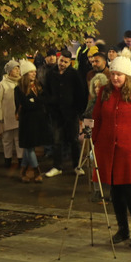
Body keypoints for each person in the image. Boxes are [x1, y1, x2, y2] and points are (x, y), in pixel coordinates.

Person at [92, 56, 131, 248]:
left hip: (130, 150)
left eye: (119, 74)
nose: (115, 78)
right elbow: (97, 118)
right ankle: (123, 229)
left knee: (130, 190)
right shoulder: (104, 92)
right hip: (108, 150)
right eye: (113, 74)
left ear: (127, 74)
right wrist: (95, 140)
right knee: (115, 191)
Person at [43, 50, 87, 178]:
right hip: (56, 113)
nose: (62, 64)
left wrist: (78, 111)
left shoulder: (74, 74)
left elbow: (81, 93)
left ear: (70, 63)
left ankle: (76, 166)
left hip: (71, 113)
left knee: (74, 140)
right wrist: (50, 105)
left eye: (65, 62)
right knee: (57, 141)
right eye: (61, 60)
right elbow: (47, 91)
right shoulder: (51, 74)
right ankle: (57, 166)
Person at [15, 60, 52, 183]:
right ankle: (36, 171)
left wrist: (34, 101)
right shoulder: (19, 88)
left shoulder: (38, 85)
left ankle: (23, 171)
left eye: (35, 71)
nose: (34, 74)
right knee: (29, 147)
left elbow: (45, 99)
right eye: (31, 72)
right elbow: (26, 105)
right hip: (27, 122)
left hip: (38, 121)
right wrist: (37, 102)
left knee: (28, 148)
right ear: (25, 73)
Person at [0, 60, 23, 169]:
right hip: (7, 116)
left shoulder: (21, 82)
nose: (17, 70)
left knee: (19, 138)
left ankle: (21, 159)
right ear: (10, 71)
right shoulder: (2, 84)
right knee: (7, 139)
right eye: (15, 68)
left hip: (19, 116)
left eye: (18, 68)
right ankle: (7, 159)